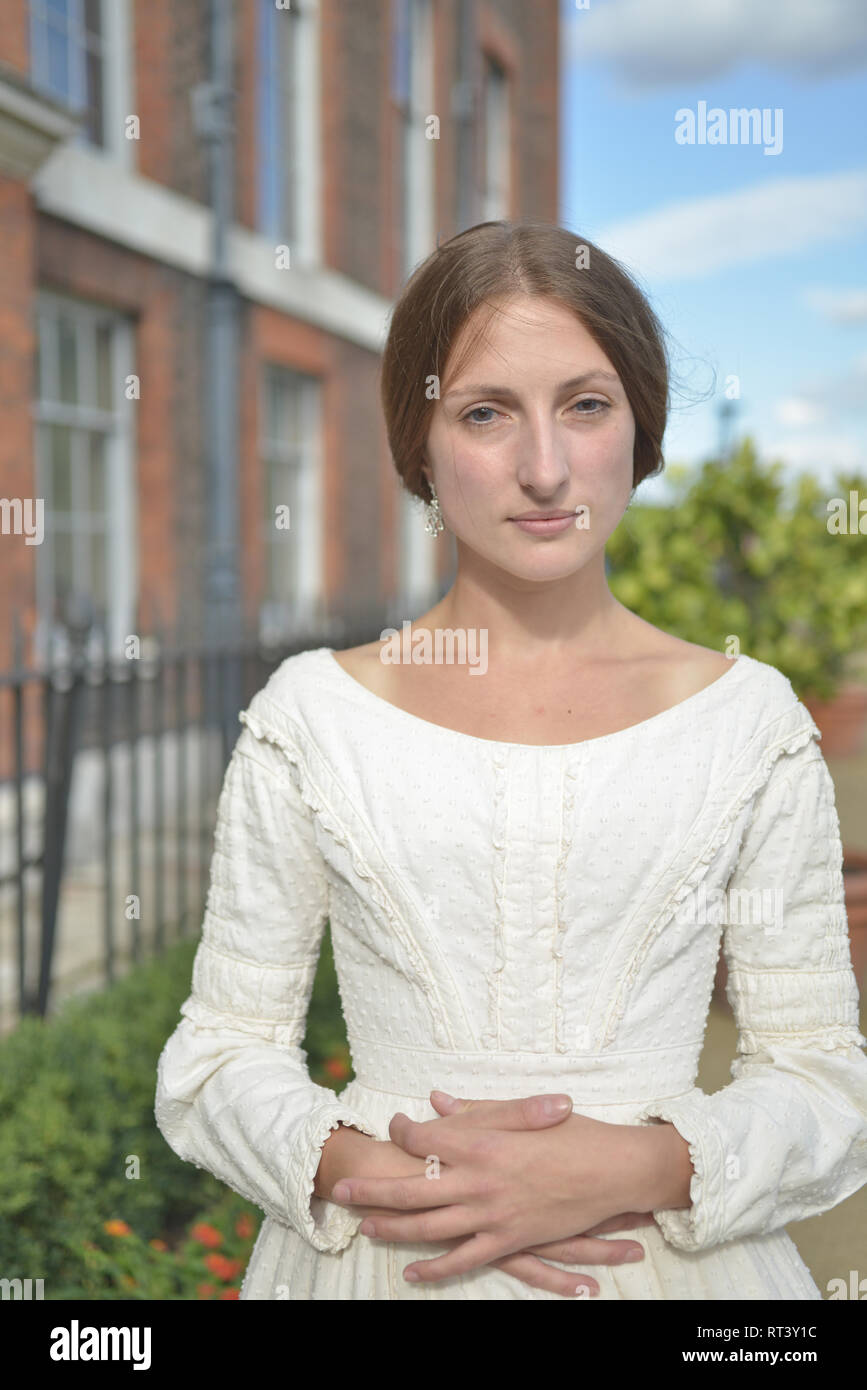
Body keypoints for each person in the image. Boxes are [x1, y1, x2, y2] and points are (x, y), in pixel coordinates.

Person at [154, 220, 867, 1299]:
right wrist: (390, 1176)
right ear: (421, 445)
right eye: (486, 412)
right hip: (383, 1259)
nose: (544, 469)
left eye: (585, 405)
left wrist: (642, 1163)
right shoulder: (314, 720)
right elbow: (216, 1057)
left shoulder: (748, 724)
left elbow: (821, 1077)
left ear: (641, 426)